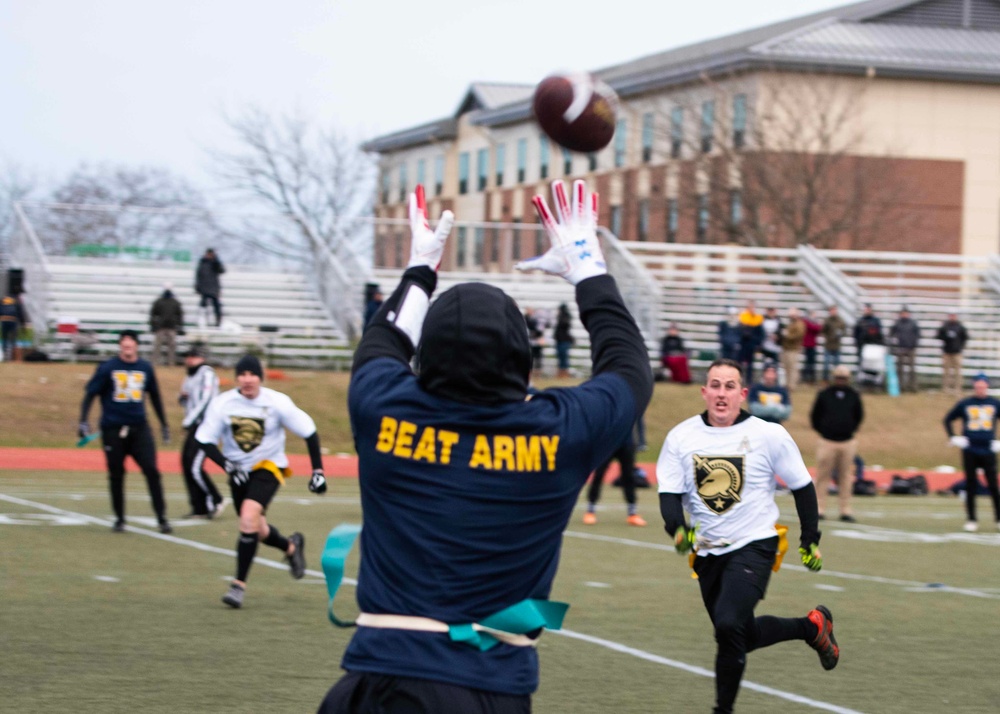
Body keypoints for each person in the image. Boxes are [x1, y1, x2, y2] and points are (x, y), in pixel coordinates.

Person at [319, 181, 652, 713]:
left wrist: (420, 269)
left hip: (369, 684)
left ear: (425, 360)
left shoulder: (381, 406)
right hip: (483, 689)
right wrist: (587, 268)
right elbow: (629, 368)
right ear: (521, 362)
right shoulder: (557, 433)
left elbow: (382, 341)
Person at [656, 358, 838, 714]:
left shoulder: (768, 434)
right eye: (715, 385)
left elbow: (802, 486)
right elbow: (669, 494)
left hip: (756, 544)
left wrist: (809, 538)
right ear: (704, 392)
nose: (722, 393)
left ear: (742, 394)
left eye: (729, 386)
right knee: (739, 634)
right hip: (707, 552)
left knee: (727, 625)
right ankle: (811, 627)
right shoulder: (681, 437)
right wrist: (676, 528)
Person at [195, 353, 327, 608]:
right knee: (257, 528)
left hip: (268, 467)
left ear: (261, 377)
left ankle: (238, 587)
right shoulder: (223, 404)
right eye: (242, 374)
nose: (247, 379)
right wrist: (227, 465)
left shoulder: (277, 403)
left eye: (252, 374)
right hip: (238, 472)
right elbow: (204, 439)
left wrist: (318, 471)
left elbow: (309, 431)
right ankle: (291, 547)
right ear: (236, 378)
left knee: (247, 517)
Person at [78, 329, 172, 534]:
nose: (127, 347)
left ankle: (162, 518)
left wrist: (164, 424)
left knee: (152, 471)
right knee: (116, 474)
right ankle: (120, 519)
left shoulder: (145, 368)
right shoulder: (108, 368)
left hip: (139, 428)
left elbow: (155, 397)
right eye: (124, 343)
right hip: (113, 429)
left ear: (137, 345)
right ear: (120, 345)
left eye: (131, 343)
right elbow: (90, 394)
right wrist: (83, 421)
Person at [943, 373, 1000, 532]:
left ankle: (998, 518)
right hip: (970, 449)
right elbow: (948, 419)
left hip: (989, 449)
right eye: (977, 386)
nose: (980, 388)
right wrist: (953, 438)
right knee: (971, 485)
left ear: (987, 386)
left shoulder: (994, 403)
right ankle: (971, 519)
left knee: (993, 485)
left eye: (982, 386)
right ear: (974, 386)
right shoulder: (966, 403)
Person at [810, 364, 864, 522]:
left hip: (847, 441)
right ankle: (819, 508)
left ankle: (845, 510)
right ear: (834, 378)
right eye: (839, 377)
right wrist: (824, 430)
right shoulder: (824, 394)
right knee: (822, 476)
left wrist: (849, 429)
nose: (841, 380)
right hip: (827, 440)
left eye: (844, 378)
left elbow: (859, 416)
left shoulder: (853, 395)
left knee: (846, 477)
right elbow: (815, 416)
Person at [178, 344, 225, 519]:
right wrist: (182, 399)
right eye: (188, 356)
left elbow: (206, 400)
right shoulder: (189, 377)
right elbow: (186, 399)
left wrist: (189, 420)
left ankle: (216, 499)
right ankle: (199, 506)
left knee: (195, 466)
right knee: (186, 463)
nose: (189, 359)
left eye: (193, 356)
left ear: (202, 358)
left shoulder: (207, 373)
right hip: (195, 425)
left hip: (207, 426)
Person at [582, 431, 646, 527]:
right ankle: (590, 511)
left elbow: (638, 420)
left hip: (625, 442)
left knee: (629, 476)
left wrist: (641, 440)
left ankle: (632, 513)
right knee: (599, 474)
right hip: (607, 442)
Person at [149, 282, 184, 366]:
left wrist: (180, 326)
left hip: (170, 327)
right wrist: (153, 325)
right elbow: (153, 314)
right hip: (161, 327)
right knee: (158, 346)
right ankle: (155, 362)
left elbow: (180, 315)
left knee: (171, 346)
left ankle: (171, 363)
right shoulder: (161, 302)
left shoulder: (174, 302)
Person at [889, 306, 920, 393]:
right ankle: (901, 386)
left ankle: (913, 387)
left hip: (911, 348)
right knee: (900, 369)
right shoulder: (897, 324)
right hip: (901, 348)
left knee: (912, 369)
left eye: (906, 313)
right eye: (903, 313)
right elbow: (891, 333)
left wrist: (914, 344)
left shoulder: (913, 324)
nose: (904, 315)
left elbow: (917, 335)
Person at [936, 312, 968, 395]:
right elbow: (938, 336)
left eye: (954, 316)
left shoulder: (960, 327)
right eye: (951, 316)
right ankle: (946, 389)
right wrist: (946, 336)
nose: (952, 317)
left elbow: (965, 337)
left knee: (957, 372)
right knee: (946, 372)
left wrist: (960, 347)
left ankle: (958, 389)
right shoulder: (945, 326)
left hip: (957, 352)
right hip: (947, 352)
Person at [194, 248, 225, 327]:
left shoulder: (215, 263)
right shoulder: (202, 263)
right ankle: (202, 322)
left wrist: (216, 260)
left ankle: (218, 321)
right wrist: (197, 287)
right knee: (203, 306)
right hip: (204, 289)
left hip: (214, 288)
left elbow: (222, 270)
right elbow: (198, 276)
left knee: (216, 306)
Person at [737, 301, 764, 383]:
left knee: (750, 364)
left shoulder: (758, 318)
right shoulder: (743, 317)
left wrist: (757, 343)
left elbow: (760, 333)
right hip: (743, 344)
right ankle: (739, 379)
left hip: (751, 344)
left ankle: (749, 380)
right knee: (740, 362)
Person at [780, 307, 805, 391]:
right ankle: (787, 384)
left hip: (793, 349)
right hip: (786, 348)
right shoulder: (790, 324)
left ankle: (792, 385)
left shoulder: (799, 324)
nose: (791, 316)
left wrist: (787, 335)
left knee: (792, 368)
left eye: (793, 314)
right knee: (786, 367)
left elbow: (798, 335)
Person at [820, 305, 847, 382]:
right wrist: (827, 336)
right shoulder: (827, 320)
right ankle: (825, 380)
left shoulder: (841, 321)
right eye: (831, 310)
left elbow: (844, 331)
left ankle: (837, 380)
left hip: (836, 346)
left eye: (834, 310)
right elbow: (822, 331)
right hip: (828, 345)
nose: (833, 312)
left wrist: (840, 334)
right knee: (826, 364)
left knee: (837, 365)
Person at [1, 292, 26, 361]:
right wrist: (23, 324)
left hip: (4, 320)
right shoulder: (16, 301)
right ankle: (12, 355)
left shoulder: (3, 300)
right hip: (13, 320)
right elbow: (20, 313)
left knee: (5, 338)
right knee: (13, 338)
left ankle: (5, 353)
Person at [553, 302, 575, 378]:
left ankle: (564, 373)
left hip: (564, 340)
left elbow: (566, 325)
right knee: (561, 356)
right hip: (559, 340)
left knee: (563, 356)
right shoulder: (560, 318)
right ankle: (561, 373)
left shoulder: (565, 317)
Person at [801, 309, 822, 385]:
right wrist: (817, 325)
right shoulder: (806, 321)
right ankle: (806, 377)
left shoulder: (812, 321)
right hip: (807, 345)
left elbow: (818, 328)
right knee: (808, 362)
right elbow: (814, 328)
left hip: (813, 345)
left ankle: (811, 378)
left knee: (812, 362)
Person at [524, 307, 545, 377]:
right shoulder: (526, 319)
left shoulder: (536, 319)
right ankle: (529, 372)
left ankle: (537, 373)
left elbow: (540, 331)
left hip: (536, 341)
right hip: (530, 341)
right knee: (530, 357)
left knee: (538, 357)